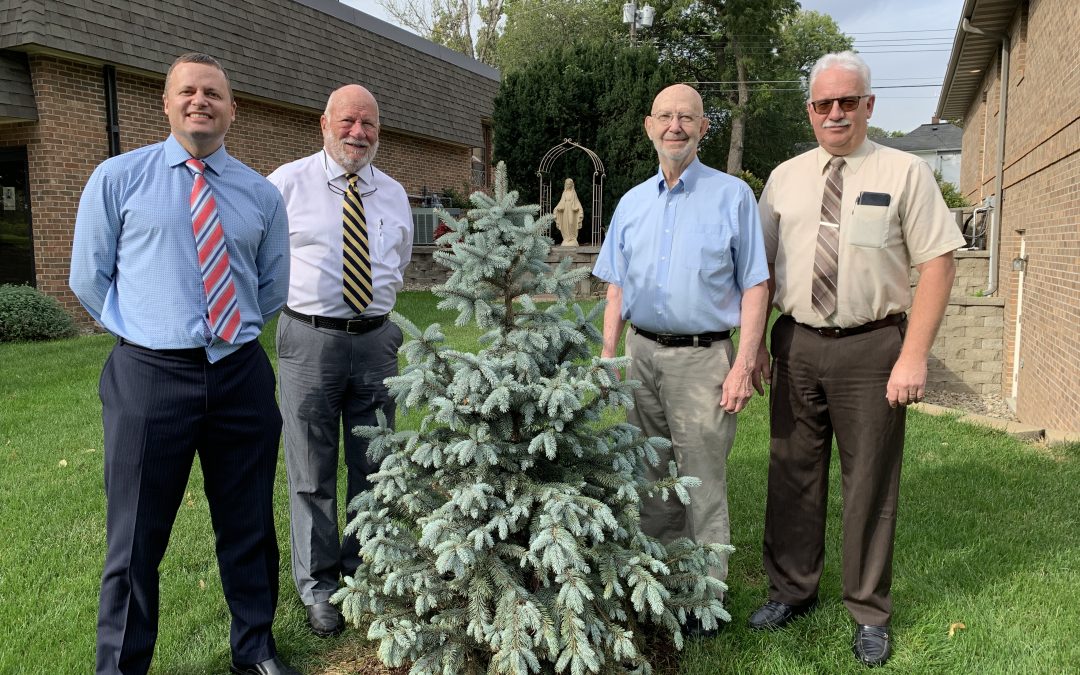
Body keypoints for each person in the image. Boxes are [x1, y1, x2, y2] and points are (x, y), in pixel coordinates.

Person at [69, 53, 296, 675]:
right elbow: (88, 277)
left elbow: (271, 285)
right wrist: (144, 333)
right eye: (188, 92)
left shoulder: (258, 193)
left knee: (249, 524)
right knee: (136, 537)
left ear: (232, 109)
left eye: (214, 94)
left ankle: (255, 653)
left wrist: (228, 333)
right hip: (148, 376)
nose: (201, 101)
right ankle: (120, 664)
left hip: (240, 374)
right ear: (166, 105)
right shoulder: (119, 178)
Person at [751, 51, 965, 667]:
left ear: (869, 105)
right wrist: (757, 346)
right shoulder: (784, 178)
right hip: (796, 342)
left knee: (869, 482)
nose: (836, 112)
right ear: (810, 111)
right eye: (824, 104)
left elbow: (939, 264)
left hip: (874, 348)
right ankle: (791, 589)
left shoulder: (905, 172)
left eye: (848, 101)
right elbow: (759, 273)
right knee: (792, 471)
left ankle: (869, 610)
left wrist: (914, 356)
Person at [592, 84, 770, 637]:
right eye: (666, 117)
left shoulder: (733, 196)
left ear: (703, 128)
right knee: (649, 478)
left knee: (701, 480)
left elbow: (756, 284)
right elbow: (616, 286)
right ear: (649, 126)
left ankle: (707, 599)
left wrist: (742, 364)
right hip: (642, 354)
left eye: (686, 118)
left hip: (703, 361)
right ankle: (663, 584)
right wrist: (608, 357)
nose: (675, 126)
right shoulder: (631, 203)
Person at [267, 84, 413, 638]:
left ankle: (365, 571)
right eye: (348, 121)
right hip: (308, 338)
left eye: (369, 124)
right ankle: (319, 586)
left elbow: (395, 264)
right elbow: (261, 253)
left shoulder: (393, 192)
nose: (359, 133)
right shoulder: (286, 183)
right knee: (310, 467)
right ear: (323, 123)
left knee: (375, 463)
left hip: (377, 340)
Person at [554, 177, 584, 246]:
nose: (568, 185)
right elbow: (561, 202)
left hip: (571, 209)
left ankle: (572, 238)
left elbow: (576, 201)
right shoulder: (564, 193)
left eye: (570, 184)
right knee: (565, 223)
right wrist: (558, 208)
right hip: (565, 210)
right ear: (565, 185)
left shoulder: (574, 193)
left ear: (572, 185)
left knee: (571, 223)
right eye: (567, 184)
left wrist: (579, 208)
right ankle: (566, 238)